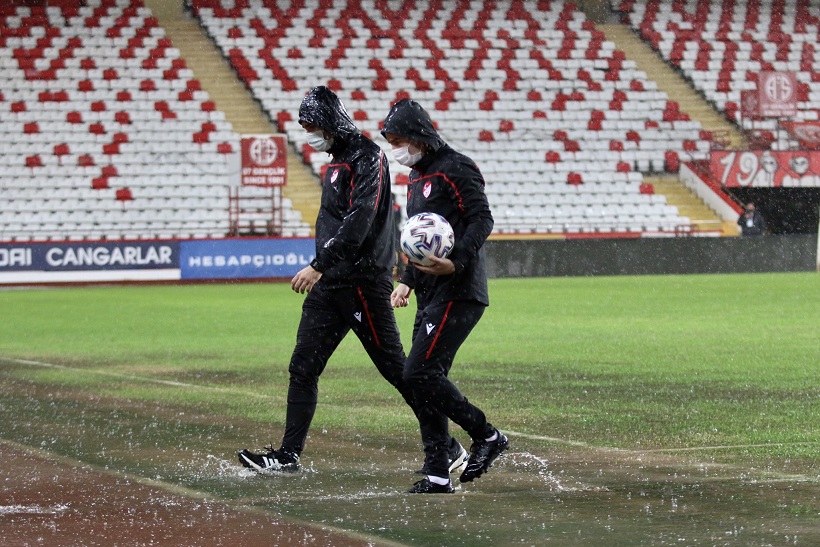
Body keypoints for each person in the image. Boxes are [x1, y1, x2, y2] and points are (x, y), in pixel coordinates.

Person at [237, 87, 468, 481]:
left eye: (312, 125)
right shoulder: (337, 160)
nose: (309, 133)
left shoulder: (368, 157)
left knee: (399, 371)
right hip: (332, 284)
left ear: (329, 122)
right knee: (303, 366)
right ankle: (288, 455)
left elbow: (359, 221)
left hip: (362, 281)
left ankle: (450, 448)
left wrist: (318, 264)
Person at [382, 98, 508, 494]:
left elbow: (481, 218)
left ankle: (486, 435)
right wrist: (406, 280)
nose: (396, 149)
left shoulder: (457, 167)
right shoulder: (415, 179)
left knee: (417, 373)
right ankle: (438, 473)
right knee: (423, 380)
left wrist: (454, 262)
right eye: (391, 141)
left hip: (459, 289)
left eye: (400, 140)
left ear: (419, 136)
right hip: (429, 294)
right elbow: (416, 237)